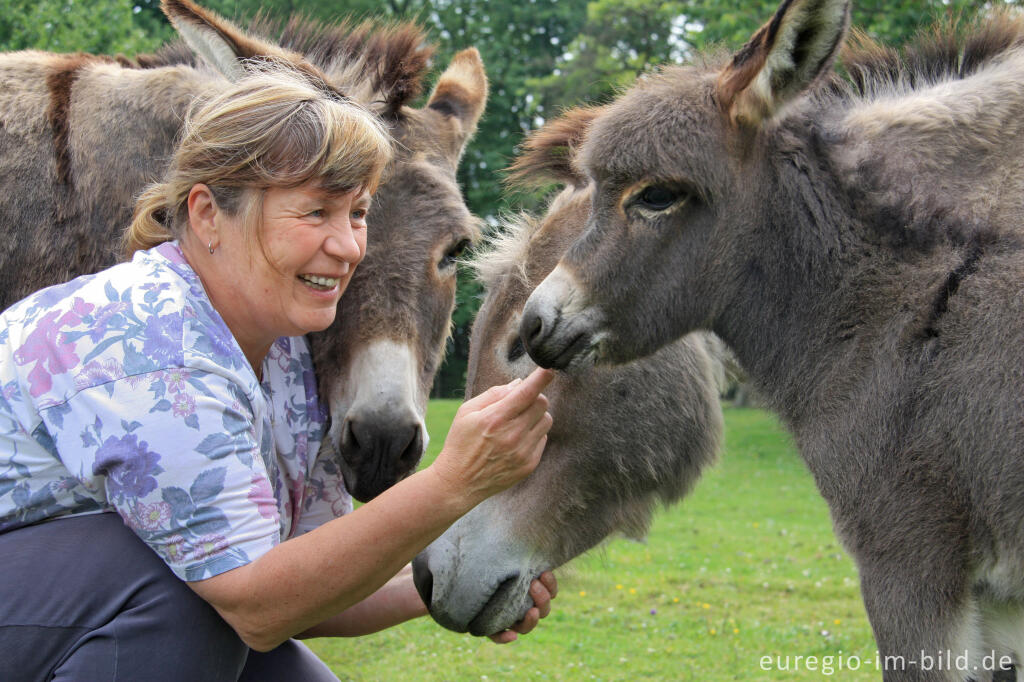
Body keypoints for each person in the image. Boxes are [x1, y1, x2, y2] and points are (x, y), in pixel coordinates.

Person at [0, 64, 555, 681]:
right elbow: (260, 603)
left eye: (359, 213)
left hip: (66, 598)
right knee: (178, 601)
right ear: (208, 215)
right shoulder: (150, 341)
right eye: (315, 212)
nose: (347, 246)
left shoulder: (290, 353)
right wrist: (455, 480)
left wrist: (440, 580)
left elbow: (297, 572)